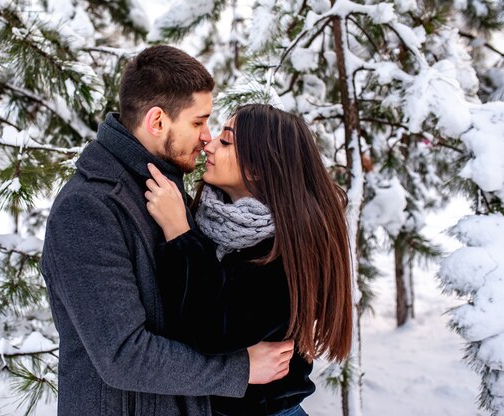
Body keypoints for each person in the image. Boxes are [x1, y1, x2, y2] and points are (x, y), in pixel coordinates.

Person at [40, 46, 295, 416]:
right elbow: (124, 354)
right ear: (157, 122)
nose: (207, 137)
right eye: (198, 122)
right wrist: (240, 368)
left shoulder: (166, 193)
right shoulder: (89, 209)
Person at [144, 104, 354, 416]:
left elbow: (213, 330)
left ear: (259, 167)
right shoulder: (215, 220)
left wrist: (179, 232)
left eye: (226, 141)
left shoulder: (289, 247)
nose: (209, 142)